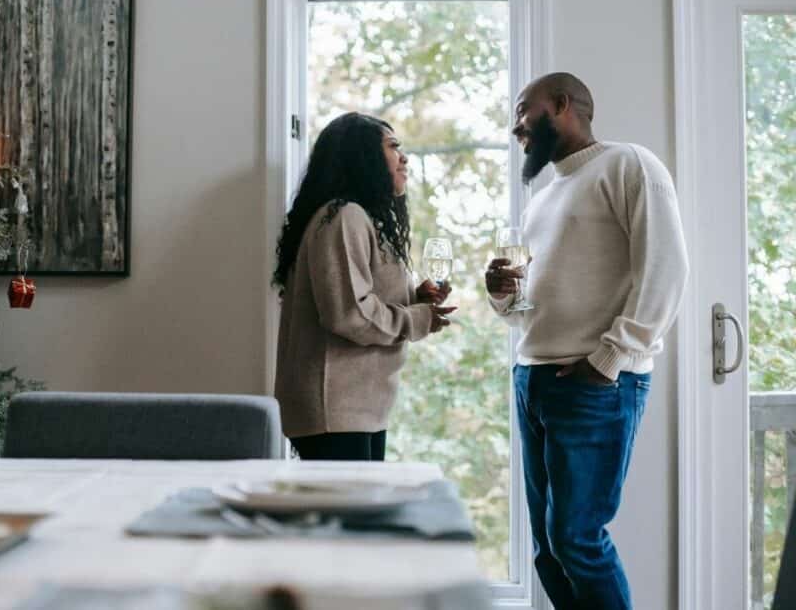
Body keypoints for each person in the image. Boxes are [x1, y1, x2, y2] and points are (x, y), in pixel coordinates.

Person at [486, 73, 688, 610]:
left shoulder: (630, 165)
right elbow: (530, 307)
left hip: (593, 382)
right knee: (548, 551)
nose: (515, 128)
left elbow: (666, 269)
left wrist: (610, 360)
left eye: (523, 110)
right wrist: (503, 295)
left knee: (577, 540)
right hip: (535, 378)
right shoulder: (543, 198)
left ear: (562, 104)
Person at [272, 112, 454, 461]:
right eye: (393, 147)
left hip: (354, 408)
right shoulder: (345, 216)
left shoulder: (356, 218)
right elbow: (349, 314)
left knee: (350, 515)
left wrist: (416, 298)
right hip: (335, 409)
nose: (404, 157)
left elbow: (359, 296)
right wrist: (418, 319)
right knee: (347, 515)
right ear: (364, 156)